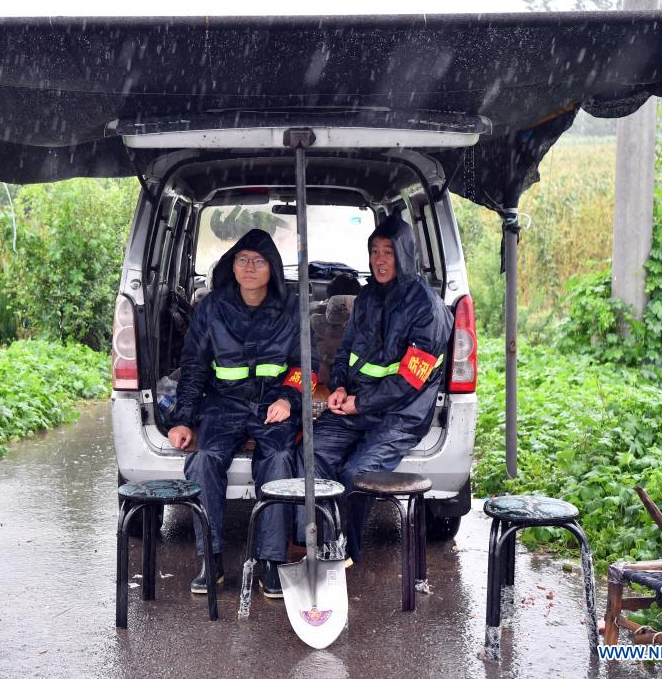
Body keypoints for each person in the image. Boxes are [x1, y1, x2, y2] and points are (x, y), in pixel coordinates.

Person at [167, 229, 318, 598]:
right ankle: (212, 558)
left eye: (259, 261)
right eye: (242, 260)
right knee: (203, 460)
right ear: (231, 266)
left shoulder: (292, 308)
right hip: (223, 405)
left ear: (273, 269)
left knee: (280, 459)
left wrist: (288, 399)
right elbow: (193, 367)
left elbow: (306, 367)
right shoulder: (212, 308)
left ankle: (270, 560)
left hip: (273, 406)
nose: (250, 267)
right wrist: (184, 419)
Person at [301, 216, 453, 563]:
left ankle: (342, 552)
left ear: (405, 255)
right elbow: (346, 348)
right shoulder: (367, 296)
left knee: (356, 473)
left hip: (400, 416)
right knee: (313, 452)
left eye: (388, 252)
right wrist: (339, 387)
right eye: (374, 252)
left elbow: (409, 381)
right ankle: (318, 543)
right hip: (356, 405)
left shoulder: (427, 309)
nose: (380, 260)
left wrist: (360, 402)